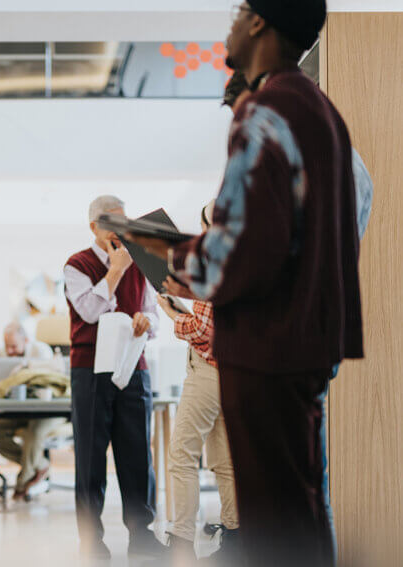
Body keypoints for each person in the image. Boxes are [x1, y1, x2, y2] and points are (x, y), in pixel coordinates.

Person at [129, 2, 364, 565]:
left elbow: (243, 252)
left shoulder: (265, 110)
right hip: (305, 340)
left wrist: (167, 256)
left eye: (238, 11)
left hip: (267, 344)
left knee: (274, 519)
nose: (230, 26)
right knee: (300, 507)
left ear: (259, 22)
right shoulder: (319, 111)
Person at [221, 64, 374, 562]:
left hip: (286, 341)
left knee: (293, 489)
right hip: (305, 336)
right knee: (303, 484)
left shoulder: (308, 159)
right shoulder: (337, 159)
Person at [64, 195, 163, 560]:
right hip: (90, 370)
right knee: (90, 457)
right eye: (111, 222)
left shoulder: (142, 262)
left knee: (138, 454)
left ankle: (142, 535)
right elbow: (89, 312)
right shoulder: (76, 264)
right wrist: (116, 270)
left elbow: (154, 314)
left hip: (133, 367)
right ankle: (91, 540)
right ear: (94, 226)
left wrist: (147, 321)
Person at [157, 202, 239, 567]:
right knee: (225, 460)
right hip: (235, 371)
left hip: (208, 370)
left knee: (182, 455)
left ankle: (181, 541)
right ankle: (236, 539)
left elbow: (203, 328)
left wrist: (171, 312)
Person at [0, 321, 65, 500]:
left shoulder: (43, 352)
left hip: (51, 411)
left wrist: (26, 368)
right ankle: (40, 464)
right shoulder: (1, 354)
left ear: (26, 340)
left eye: (14, 346)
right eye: (7, 346)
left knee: (35, 432)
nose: (10, 351)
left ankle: (22, 484)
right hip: (20, 411)